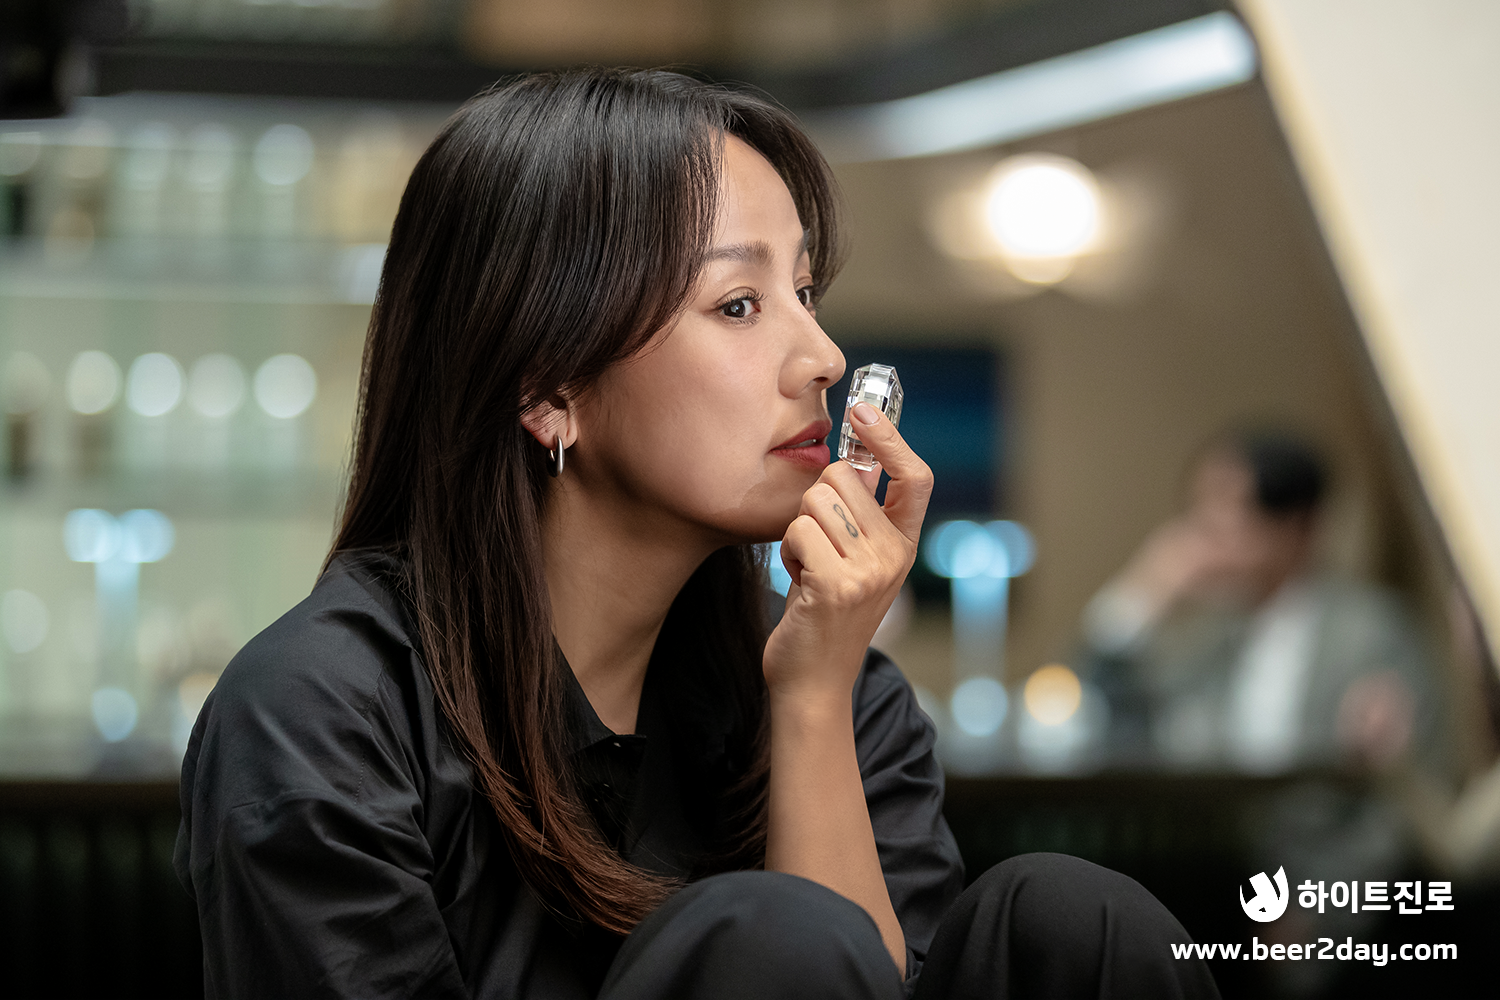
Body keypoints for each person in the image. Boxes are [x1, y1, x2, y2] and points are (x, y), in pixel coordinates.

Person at [175, 69, 1218, 999]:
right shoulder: (322, 712)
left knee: (1074, 921)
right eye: (739, 304)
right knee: (769, 938)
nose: (824, 354)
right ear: (548, 386)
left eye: (804, 291)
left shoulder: (840, 683)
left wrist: (811, 699)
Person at [1082, 431, 1437, 773]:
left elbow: (1412, 773)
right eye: (1199, 507)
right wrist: (1141, 595)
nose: (1205, 527)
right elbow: (1097, 708)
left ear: (1297, 526)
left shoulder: (1370, 632)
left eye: (1227, 506)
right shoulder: (1207, 636)